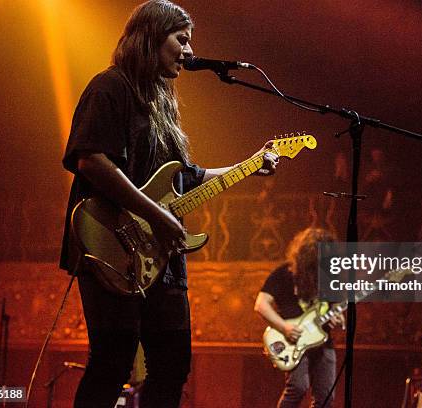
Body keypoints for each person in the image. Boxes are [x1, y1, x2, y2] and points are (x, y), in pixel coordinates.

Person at [59, 1, 278, 407]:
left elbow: (183, 175)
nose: (190, 51)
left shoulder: (164, 101)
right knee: (113, 362)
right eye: (181, 39)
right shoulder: (109, 87)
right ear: (150, 37)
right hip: (111, 244)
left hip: (161, 254)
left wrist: (247, 167)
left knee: (173, 365)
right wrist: (155, 214)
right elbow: (89, 157)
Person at [254, 228, 345, 408]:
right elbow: (261, 304)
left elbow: (334, 308)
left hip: (322, 341)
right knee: (298, 387)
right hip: (293, 341)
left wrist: (338, 318)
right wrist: (284, 327)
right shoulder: (284, 274)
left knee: (326, 397)